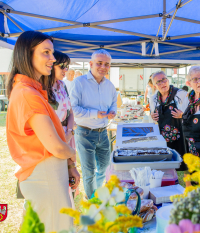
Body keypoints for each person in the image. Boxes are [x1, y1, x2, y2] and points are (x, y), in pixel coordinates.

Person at [6, 31, 77, 232]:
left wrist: (70, 164)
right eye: (46, 52)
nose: (53, 59)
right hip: (45, 174)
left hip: (47, 172)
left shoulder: (29, 89)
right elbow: (56, 146)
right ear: (27, 55)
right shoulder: (28, 93)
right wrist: (72, 154)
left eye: (52, 53)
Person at [70, 49, 117, 199]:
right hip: (84, 132)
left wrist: (113, 111)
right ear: (91, 64)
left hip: (103, 132)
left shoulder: (109, 85)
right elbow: (73, 109)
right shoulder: (79, 82)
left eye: (107, 64)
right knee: (88, 170)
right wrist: (94, 113)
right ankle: (92, 200)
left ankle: (94, 192)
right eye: (99, 63)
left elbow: (114, 103)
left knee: (104, 167)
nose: (103, 66)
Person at [48, 51, 79, 197]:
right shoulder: (43, 89)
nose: (65, 70)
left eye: (67, 66)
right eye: (62, 66)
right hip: (54, 139)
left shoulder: (62, 85)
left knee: (69, 180)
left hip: (67, 136)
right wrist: (64, 135)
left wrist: (70, 132)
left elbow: (71, 111)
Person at [150, 71, 188, 170]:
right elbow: (153, 116)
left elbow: (193, 111)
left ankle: (186, 183)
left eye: (164, 79)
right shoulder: (154, 98)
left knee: (183, 163)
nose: (163, 83)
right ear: (154, 86)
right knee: (164, 164)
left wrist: (183, 115)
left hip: (181, 137)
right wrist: (152, 116)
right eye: (159, 82)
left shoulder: (181, 94)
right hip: (162, 138)